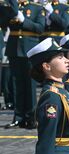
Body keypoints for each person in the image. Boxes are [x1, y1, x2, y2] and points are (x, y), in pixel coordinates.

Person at [4, 0, 45, 129]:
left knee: (30, 84)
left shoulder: (37, 8)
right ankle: (18, 117)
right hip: (14, 48)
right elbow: (3, 23)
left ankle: (32, 117)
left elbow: (40, 28)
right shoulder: (10, 7)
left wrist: (24, 21)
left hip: (29, 48)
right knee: (17, 84)